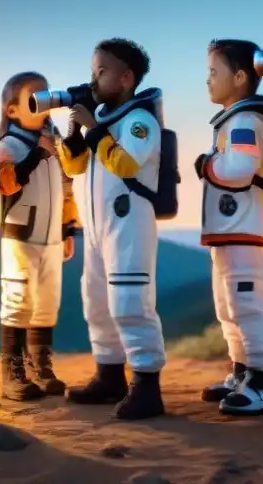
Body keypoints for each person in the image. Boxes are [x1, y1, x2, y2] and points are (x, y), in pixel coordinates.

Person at [57, 38, 167, 421]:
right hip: (97, 228)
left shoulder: (140, 121)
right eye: (93, 70)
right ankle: (109, 375)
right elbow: (74, 168)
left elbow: (125, 165)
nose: (94, 78)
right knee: (97, 301)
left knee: (130, 302)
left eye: (101, 71)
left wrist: (92, 129)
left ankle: (146, 384)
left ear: (126, 78)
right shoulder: (101, 121)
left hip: (129, 224)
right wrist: (74, 132)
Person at [195, 39, 263, 416]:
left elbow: (239, 169)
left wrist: (206, 165)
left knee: (248, 306)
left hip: (247, 229)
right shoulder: (234, 121)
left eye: (214, 72)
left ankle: (261, 384)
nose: (208, 80)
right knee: (228, 307)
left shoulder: (246, 122)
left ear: (241, 76)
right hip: (231, 230)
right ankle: (241, 372)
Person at [0, 71, 80, 401]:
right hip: (20, 237)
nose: (42, 102)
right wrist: (36, 155)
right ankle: (11, 374)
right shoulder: (9, 145)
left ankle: (41, 367)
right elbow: (5, 183)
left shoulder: (55, 147)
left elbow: (66, 190)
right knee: (18, 302)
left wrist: (68, 229)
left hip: (52, 239)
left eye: (46, 95)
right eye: (33, 97)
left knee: (46, 304)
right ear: (11, 110)